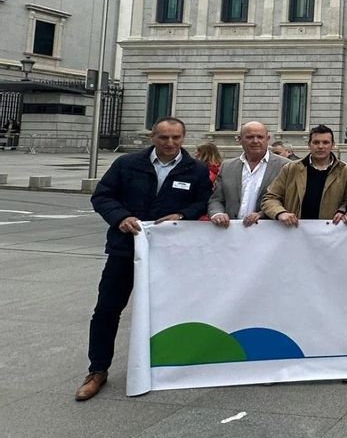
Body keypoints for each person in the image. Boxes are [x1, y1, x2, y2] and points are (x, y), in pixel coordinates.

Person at [75, 117, 213, 401]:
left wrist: (182, 215)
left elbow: (203, 201)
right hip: (125, 249)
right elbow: (102, 196)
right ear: (153, 137)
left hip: (171, 254)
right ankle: (97, 369)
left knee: (174, 309)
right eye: (164, 137)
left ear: (183, 138)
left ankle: (173, 364)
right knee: (107, 309)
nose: (170, 143)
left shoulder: (195, 169)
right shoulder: (127, 164)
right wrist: (121, 217)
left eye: (176, 138)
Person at [261, 125, 347, 225]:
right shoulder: (291, 169)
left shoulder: (345, 170)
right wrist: (280, 213)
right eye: (316, 142)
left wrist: (342, 211)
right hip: (294, 229)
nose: (320, 146)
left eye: (325, 142)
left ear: (333, 145)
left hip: (330, 230)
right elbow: (270, 198)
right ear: (309, 145)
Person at [208, 121, 288, 228]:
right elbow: (216, 199)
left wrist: (263, 214)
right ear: (240, 139)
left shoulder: (285, 166)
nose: (255, 141)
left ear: (268, 139)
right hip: (230, 231)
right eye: (250, 137)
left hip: (268, 231)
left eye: (260, 137)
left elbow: (288, 201)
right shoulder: (227, 166)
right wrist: (217, 213)